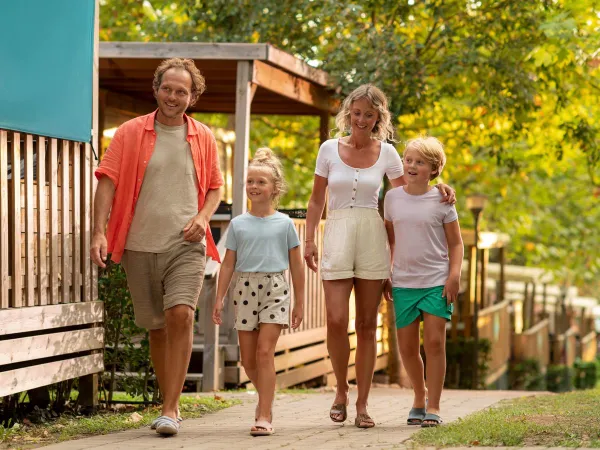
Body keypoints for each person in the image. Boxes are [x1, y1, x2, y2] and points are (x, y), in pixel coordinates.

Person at [304, 84, 456, 428]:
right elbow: (316, 200)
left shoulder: (388, 153)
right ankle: (341, 389)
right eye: (356, 113)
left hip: (373, 237)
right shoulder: (328, 149)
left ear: (378, 118)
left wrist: (442, 186)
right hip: (339, 234)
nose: (361, 120)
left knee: (368, 325)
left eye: (368, 115)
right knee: (337, 320)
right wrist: (311, 239)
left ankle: (362, 404)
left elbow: (411, 196)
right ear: (348, 113)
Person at [91, 58, 223, 436]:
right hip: (138, 245)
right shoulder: (130, 133)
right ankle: (167, 401)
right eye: (167, 88)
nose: (173, 96)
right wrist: (98, 233)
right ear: (156, 90)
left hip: (185, 243)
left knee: (181, 313)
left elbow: (215, 187)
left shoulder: (203, 136)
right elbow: (107, 182)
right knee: (156, 327)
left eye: (182, 91)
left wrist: (202, 217)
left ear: (192, 96)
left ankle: (171, 408)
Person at [212, 148, 305, 436]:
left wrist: (299, 303)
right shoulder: (238, 224)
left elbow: (297, 264)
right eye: (250, 181)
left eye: (261, 182)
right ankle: (267, 397)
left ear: (275, 188)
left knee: (265, 352)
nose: (254, 186)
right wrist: (219, 298)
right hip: (245, 290)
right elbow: (228, 264)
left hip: (276, 288)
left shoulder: (285, 223)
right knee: (247, 361)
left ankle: (264, 413)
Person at [383, 136, 463, 427]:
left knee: (434, 343)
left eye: (420, 162)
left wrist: (453, 277)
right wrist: (386, 274)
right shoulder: (391, 198)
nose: (412, 166)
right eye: (408, 160)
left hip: (436, 282)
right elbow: (390, 241)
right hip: (403, 282)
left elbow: (456, 244)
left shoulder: (442, 200)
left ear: (434, 168)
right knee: (406, 348)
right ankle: (419, 396)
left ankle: (435, 405)